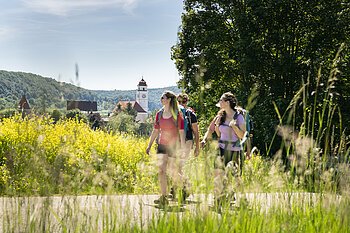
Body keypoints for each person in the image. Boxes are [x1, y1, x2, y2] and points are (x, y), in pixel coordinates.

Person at [146, 91, 186, 206]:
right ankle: (163, 197)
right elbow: (156, 130)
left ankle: (182, 188)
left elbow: (182, 132)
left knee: (173, 171)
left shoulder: (177, 114)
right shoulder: (159, 114)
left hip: (174, 146)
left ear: (168, 100)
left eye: (163, 98)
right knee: (161, 171)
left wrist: (182, 147)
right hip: (162, 145)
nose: (161, 99)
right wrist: (149, 145)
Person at [212, 92, 247, 208]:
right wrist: (217, 126)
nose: (220, 102)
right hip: (221, 148)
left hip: (234, 150)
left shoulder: (239, 117)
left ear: (227, 102)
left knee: (236, 176)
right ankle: (219, 198)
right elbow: (219, 134)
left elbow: (242, 136)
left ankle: (242, 198)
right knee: (218, 174)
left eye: (221, 100)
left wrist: (234, 126)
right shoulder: (221, 116)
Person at [166, 93, 200, 201]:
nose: (181, 104)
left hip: (186, 142)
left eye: (183, 102)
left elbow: (196, 132)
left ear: (186, 102)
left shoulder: (190, 115)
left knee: (178, 166)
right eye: (179, 102)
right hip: (175, 142)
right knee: (175, 167)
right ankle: (179, 187)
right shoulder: (174, 113)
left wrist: (197, 147)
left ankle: (183, 187)